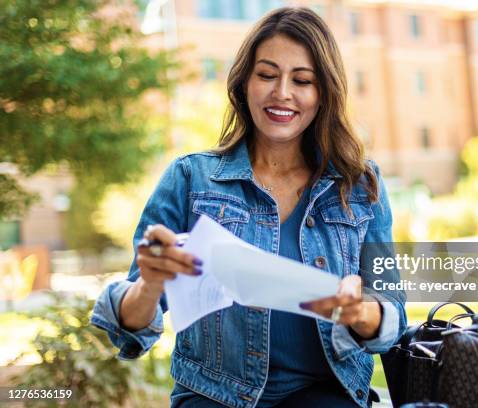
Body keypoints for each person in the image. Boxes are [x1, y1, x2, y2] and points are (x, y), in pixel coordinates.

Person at [91, 7, 407, 408]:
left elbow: (392, 315)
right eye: (267, 75)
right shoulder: (191, 179)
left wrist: (361, 313)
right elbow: (129, 328)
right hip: (213, 394)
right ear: (244, 83)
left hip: (325, 394)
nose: (282, 93)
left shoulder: (360, 186)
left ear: (323, 92)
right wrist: (150, 285)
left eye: (303, 80)